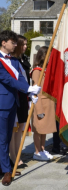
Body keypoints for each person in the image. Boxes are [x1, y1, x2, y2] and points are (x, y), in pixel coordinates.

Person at [0, 30, 41, 186]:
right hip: (2, 104)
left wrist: (29, 93)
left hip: (13, 103)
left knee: (7, 138)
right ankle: (6, 170)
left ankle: (5, 166)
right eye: (13, 42)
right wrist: (28, 90)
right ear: (4, 42)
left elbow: (19, 79)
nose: (15, 45)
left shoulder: (15, 61)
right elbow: (6, 79)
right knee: (3, 139)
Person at [31, 46, 56, 161]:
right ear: (42, 56)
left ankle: (42, 149)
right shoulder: (37, 71)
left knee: (45, 129)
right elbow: (36, 92)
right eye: (49, 55)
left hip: (48, 104)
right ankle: (37, 152)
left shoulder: (46, 70)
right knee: (39, 130)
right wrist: (39, 109)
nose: (51, 57)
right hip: (41, 104)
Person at [9, 35, 31, 167]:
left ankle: (17, 153)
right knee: (14, 129)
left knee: (21, 127)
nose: (25, 47)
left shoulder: (23, 60)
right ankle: (13, 156)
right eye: (23, 44)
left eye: (26, 44)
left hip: (24, 96)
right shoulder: (12, 61)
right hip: (16, 95)